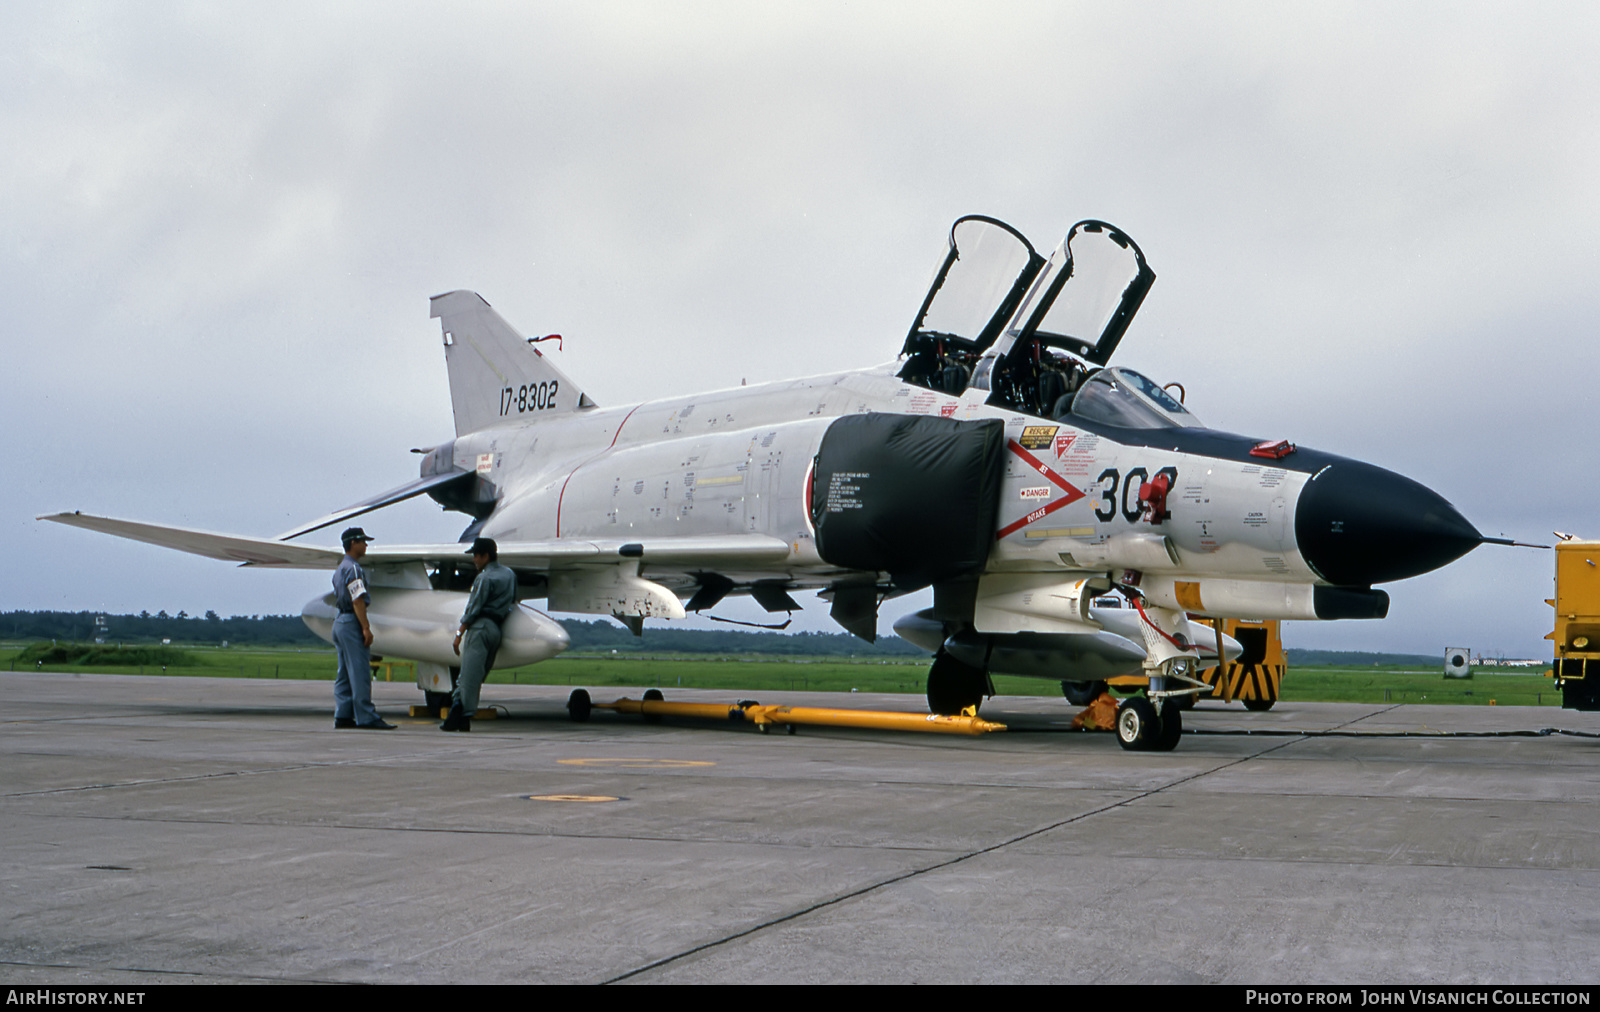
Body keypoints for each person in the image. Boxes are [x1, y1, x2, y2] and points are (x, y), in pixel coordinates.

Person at [442, 537, 517, 732]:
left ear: (486, 556)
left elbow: (473, 608)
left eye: (476, 555)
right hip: (496, 629)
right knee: (475, 675)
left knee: (467, 676)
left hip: (480, 628)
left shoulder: (483, 578)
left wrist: (459, 633)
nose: (474, 559)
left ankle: (463, 716)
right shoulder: (509, 574)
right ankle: (453, 718)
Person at [331, 527, 395, 730]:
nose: (366, 545)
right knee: (359, 672)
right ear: (353, 543)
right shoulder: (355, 569)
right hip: (351, 622)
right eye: (362, 541)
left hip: (340, 620)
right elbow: (358, 600)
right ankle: (366, 717)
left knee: (344, 673)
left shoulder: (340, 568)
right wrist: (365, 628)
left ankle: (343, 714)